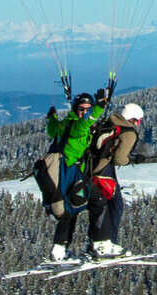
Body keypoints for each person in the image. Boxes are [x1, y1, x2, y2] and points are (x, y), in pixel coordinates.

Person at [38, 92, 104, 261]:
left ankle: (60, 249)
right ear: (76, 108)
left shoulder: (65, 123)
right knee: (97, 201)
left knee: (71, 208)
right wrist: (98, 108)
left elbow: (52, 130)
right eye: (81, 109)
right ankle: (100, 243)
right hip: (71, 172)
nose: (84, 112)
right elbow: (83, 124)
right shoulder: (77, 126)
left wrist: (51, 117)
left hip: (67, 171)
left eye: (87, 109)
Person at [81, 102, 144, 258]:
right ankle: (108, 243)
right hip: (104, 170)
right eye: (138, 121)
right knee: (115, 205)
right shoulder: (128, 133)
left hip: (90, 168)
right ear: (133, 119)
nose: (138, 124)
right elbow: (120, 159)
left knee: (99, 205)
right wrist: (132, 160)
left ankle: (95, 242)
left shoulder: (109, 122)